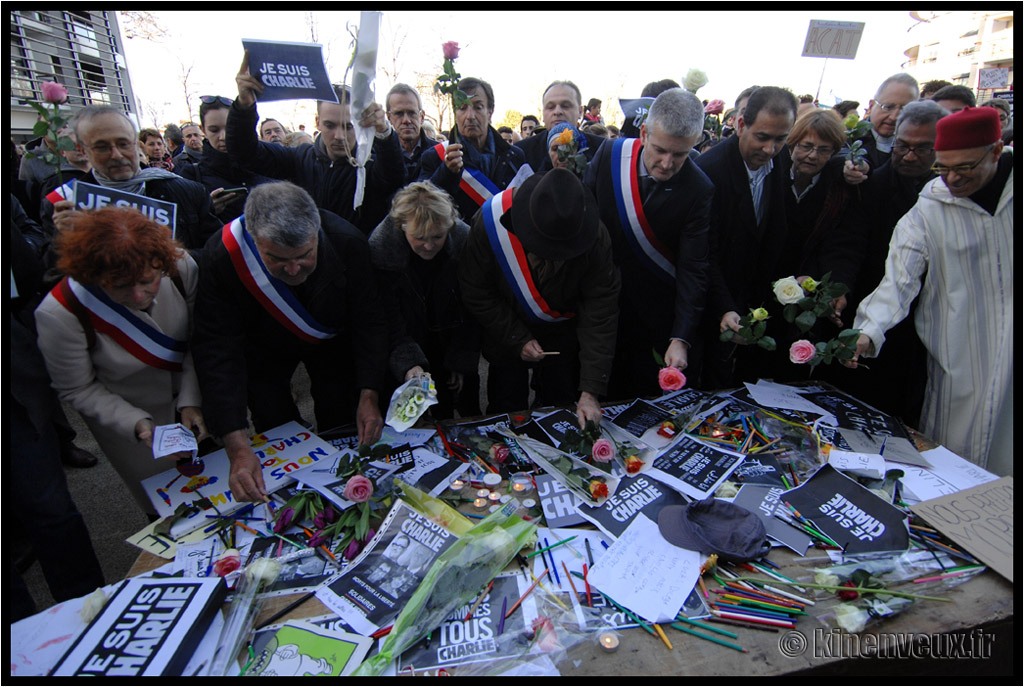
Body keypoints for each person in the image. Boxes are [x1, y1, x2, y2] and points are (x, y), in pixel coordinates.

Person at [192, 182, 389, 502]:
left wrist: (370, 393)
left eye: (305, 255)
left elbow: (370, 322)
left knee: (343, 413)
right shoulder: (223, 255)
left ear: (317, 233)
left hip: (331, 339)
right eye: (278, 259)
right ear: (255, 242)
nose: (295, 268)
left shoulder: (346, 241)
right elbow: (217, 348)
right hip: (261, 346)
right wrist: (237, 445)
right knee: (273, 422)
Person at [850, 106, 1012, 475]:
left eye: (965, 168)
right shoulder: (929, 209)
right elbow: (898, 280)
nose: (952, 178)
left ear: (997, 151)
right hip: (958, 354)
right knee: (954, 464)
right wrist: (867, 331)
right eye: (942, 167)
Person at [34, 207, 208, 515]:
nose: (139, 296)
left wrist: (192, 399)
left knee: (229, 488)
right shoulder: (60, 313)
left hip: (200, 401)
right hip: (132, 424)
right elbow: (78, 388)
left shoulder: (181, 267)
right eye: (120, 287)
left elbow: (202, 339)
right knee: (172, 512)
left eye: (147, 280)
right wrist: (137, 424)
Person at [459, 168, 620, 427]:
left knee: (562, 412)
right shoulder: (490, 225)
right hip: (505, 330)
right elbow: (476, 290)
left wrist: (590, 390)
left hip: (561, 334)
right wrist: (516, 337)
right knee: (506, 412)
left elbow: (600, 310)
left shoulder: (595, 236)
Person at [584, 87, 712, 399]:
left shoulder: (700, 189)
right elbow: (584, 225)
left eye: (680, 154)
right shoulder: (609, 156)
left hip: (653, 313)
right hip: (598, 305)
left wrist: (681, 337)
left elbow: (693, 267)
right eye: (659, 150)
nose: (667, 164)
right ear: (643, 132)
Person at [828, 99, 948, 427]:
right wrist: (842, 286)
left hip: (930, 317)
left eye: (922, 149)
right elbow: (849, 244)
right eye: (902, 146)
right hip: (873, 303)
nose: (909, 156)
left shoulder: (950, 194)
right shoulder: (872, 186)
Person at [11, 213, 104, 620]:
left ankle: (91, 614)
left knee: (49, 508)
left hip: (12, 391)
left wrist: (59, 237)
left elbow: (29, 272)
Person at [228, 51, 405, 234]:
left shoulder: (370, 165)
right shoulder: (299, 158)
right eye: (330, 125)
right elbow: (245, 153)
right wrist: (244, 107)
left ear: (360, 125)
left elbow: (394, 176)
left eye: (348, 127)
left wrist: (384, 133)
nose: (339, 136)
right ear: (317, 121)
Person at [696, 86, 798, 388]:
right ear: (741, 125)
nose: (770, 149)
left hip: (756, 301)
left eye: (781, 139)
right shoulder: (709, 170)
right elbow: (704, 252)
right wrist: (724, 306)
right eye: (762, 137)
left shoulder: (780, 162)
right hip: (714, 304)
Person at [43, 105, 222, 256]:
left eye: (123, 144)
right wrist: (64, 241)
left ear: (136, 145)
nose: (117, 155)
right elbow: (51, 279)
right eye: (102, 147)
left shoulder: (188, 192)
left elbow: (216, 256)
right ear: (83, 151)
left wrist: (179, 259)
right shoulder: (66, 204)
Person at [368, 181, 481, 419]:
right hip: (405, 335)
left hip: (451, 334)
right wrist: (408, 363)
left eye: (438, 236)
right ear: (401, 227)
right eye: (419, 237)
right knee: (408, 415)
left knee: (454, 406)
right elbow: (386, 315)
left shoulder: (464, 240)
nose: (429, 246)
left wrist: (461, 359)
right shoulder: (381, 249)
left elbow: (473, 304)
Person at [418, 76, 525, 222]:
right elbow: (423, 207)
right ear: (455, 114)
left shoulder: (514, 156)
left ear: (490, 111)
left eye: (478, 107)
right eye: (462, 108)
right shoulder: (435, 157)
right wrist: (447, 172)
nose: (470, 116)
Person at [178, 94, 274, 224]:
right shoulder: (192, 175)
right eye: (214, 130)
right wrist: (206, 211)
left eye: (229, 128)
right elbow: (186, 231)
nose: (223, 137)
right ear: (203, 130)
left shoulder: (267, 163)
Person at [514, 81, 606, 174]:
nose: (557, 112)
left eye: (565, 106)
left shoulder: (602, 149)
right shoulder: (522, 152)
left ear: (580, 111)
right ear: (543, 113)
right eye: (550, 107)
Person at [843, 73, 919, 182]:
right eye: (888, 107)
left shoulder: (916, 145)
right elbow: (840, 154)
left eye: (904, 110)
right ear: (871, 105)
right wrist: (857, 165)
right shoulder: (850, 135)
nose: (894, 117)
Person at [386, 83, 438, 185]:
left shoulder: (438, 153)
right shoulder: (380, 157)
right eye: (399, 114)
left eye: (412, 113)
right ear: (389, 118)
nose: (406, 120)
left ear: (422, 116)